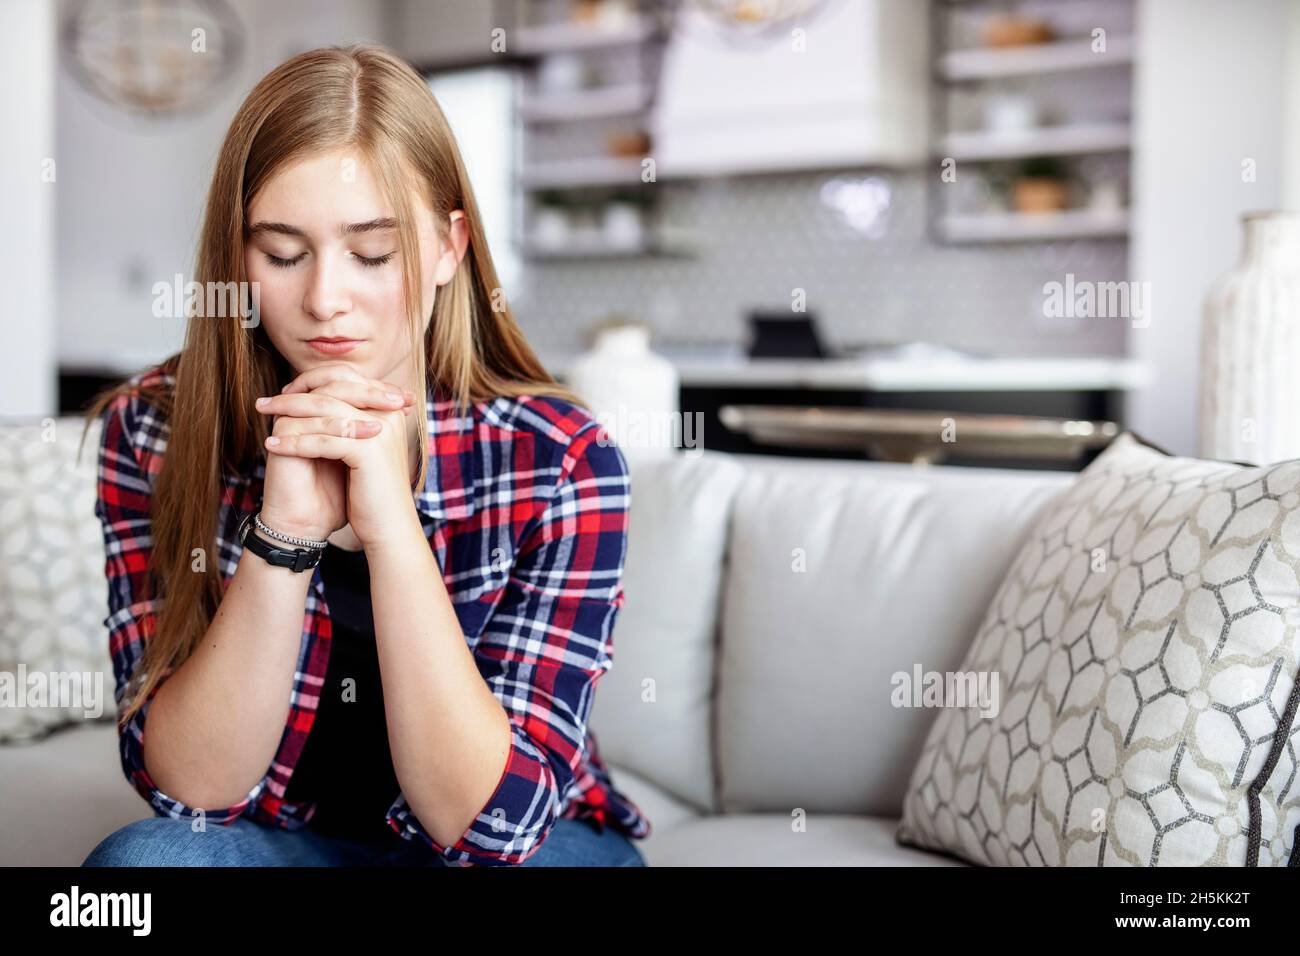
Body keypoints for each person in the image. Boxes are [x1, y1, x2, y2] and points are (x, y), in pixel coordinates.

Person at [79, 43, 649, 868]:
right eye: (280, 253)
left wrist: (392, 537)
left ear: (451, 248)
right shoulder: (153, 430)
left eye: (372, 254)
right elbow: (190, 793)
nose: (323, 300)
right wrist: (283, 539)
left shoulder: (561, 460)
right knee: (145, 864)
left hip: (522, 847)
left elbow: (486, 828)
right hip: (289, 838)